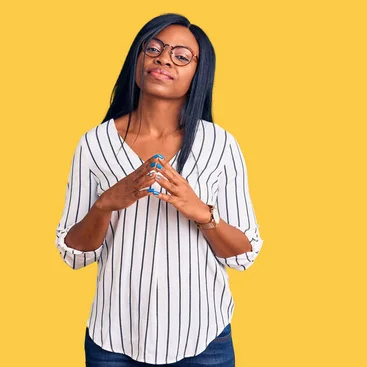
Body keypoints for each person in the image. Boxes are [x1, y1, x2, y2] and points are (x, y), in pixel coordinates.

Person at [55, 13, 263, 367]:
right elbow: (74, 253)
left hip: (203, 340)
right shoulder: (95, 144)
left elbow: (244, 254)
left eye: (181, 56)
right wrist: (105, 204)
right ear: (137, 60)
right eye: (153, 48)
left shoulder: (220, 146)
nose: (164, 58)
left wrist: (202, 213)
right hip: (113, 340)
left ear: (199, 74)